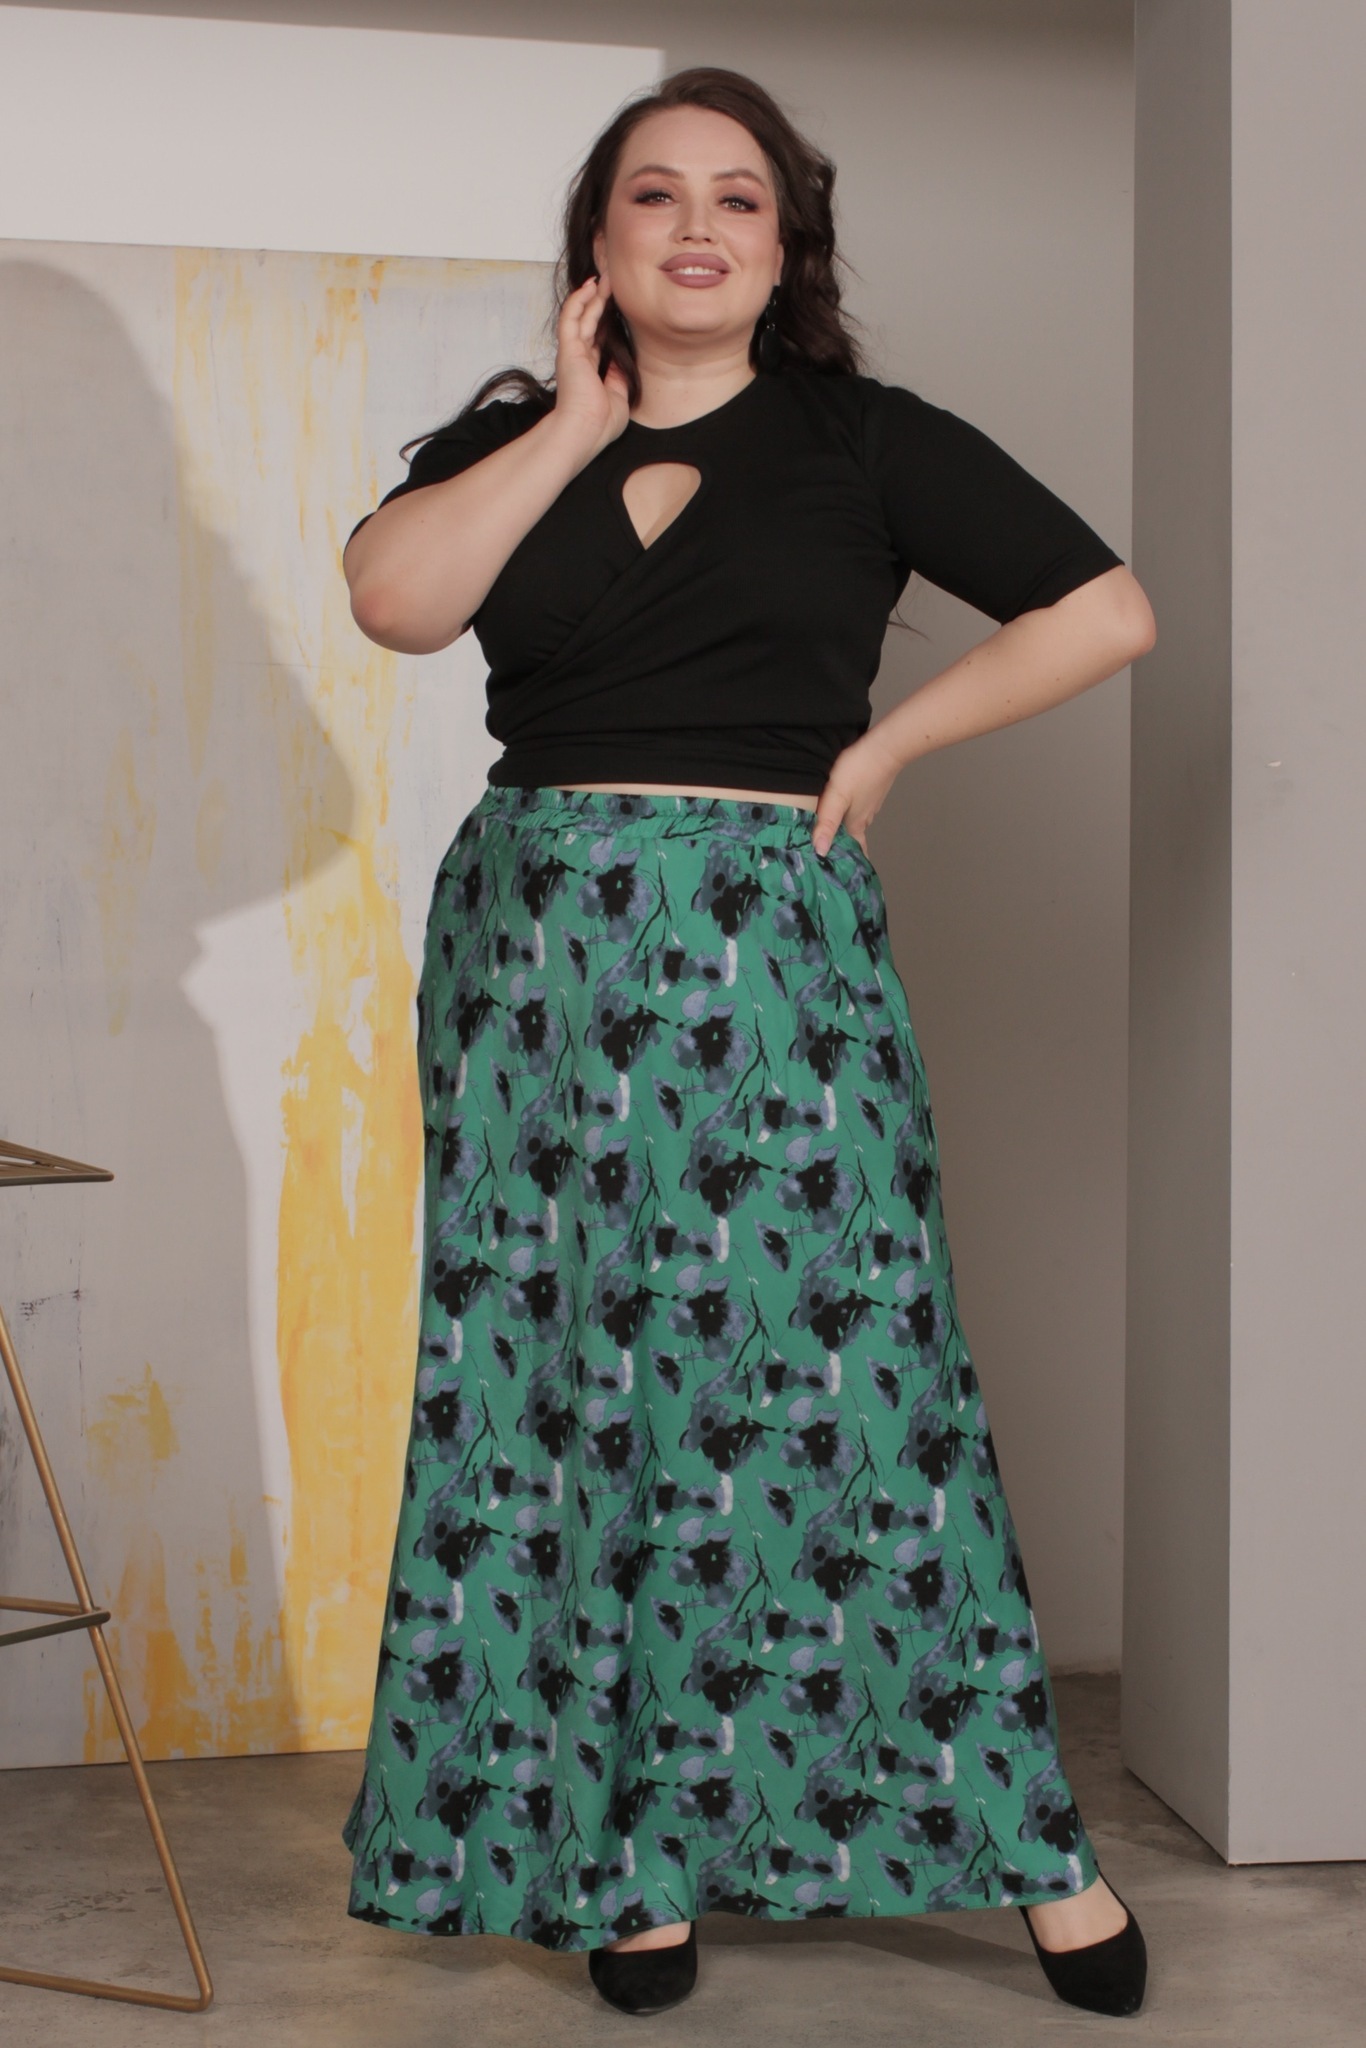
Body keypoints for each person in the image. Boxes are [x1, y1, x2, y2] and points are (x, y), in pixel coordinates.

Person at [338, 66, 1156, 2021]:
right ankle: (623, 1863)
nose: (695, 226)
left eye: (738, 199)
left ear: (786, 250)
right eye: (654, 194)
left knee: (852, 1383)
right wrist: (571, 423)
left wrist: (888, 744)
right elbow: (393, 603)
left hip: (765, 935)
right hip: (537, 954)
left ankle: (1029, 1850)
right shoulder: (511, 439)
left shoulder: (860, 440)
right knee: (557, 1390)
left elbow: (1105, 610)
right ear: (598, 239)